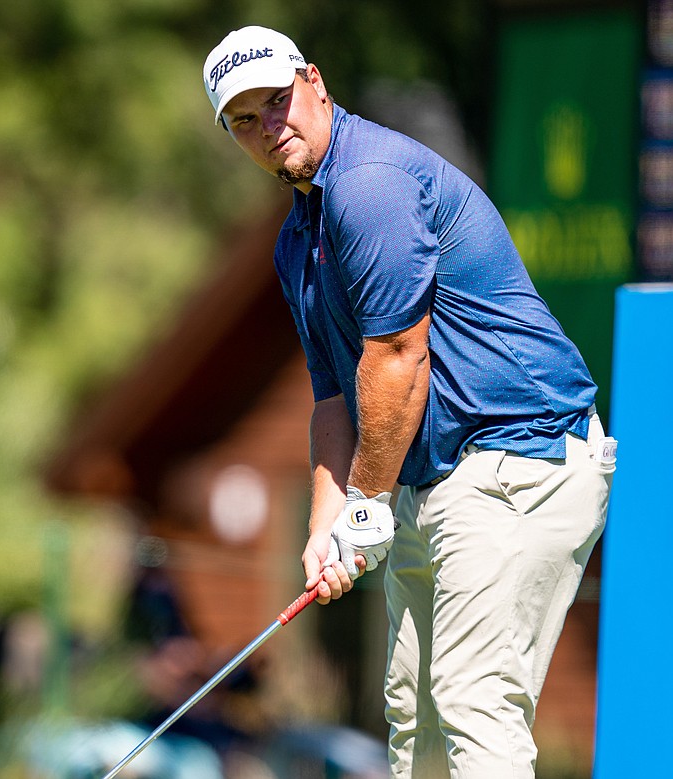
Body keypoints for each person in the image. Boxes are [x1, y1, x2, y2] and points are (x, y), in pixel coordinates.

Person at [201, 25, 616, 778]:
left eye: (278, 99)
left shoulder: (370, 181)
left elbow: (397, 361)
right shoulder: (299, 237)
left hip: (516, 459)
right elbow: (334, 398)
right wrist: (327, 525)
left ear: (316, 83)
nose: (270, 124)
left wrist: (364, 508)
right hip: (431, 482)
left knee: (471, 702)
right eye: (245, 119)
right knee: (414, 721)